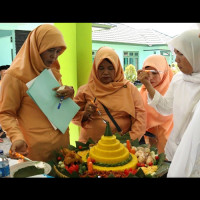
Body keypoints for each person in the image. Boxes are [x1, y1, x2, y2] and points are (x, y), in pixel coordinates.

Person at [0, 24, 74, 162]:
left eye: (58, 51)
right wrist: (16, 137)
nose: (54, 56)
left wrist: (68, 93)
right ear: (36, 47)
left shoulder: (52, 70)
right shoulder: (14, 76)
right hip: (35, 151)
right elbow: (5, 113)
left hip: (62, 147)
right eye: (50, 50)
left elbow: (55, 101)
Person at [137, 29, 200, 177]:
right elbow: (165, 108)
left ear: (196, 53)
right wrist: (148, 84)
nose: (176, 60)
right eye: (176, 53)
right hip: (174, 152)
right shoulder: (179, 80)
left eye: (181, 54)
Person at [72, 46, 146, 144]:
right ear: (95, 69)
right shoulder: (86, 90)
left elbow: (140, 117)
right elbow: (72, 116)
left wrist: (129, 141)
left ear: (117, 68)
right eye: (101, 68)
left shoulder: (129, 88)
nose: (106, 72)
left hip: (121, 147)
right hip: (90, 146)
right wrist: (86, 114)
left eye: (110, 68)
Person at [138, 55, 174, 154]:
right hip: (146, 144)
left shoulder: (172, 91)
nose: (151, 77)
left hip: (168, 142)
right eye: (147, 73)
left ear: (164, 72)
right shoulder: (143, 91)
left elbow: (164, 113)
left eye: (155, 73)